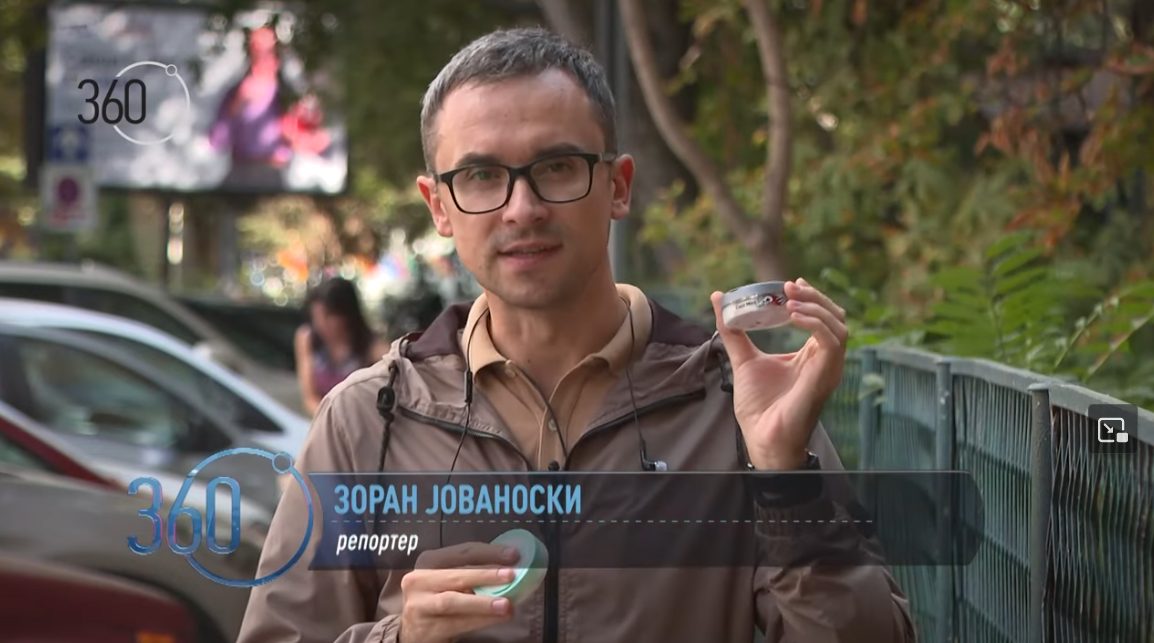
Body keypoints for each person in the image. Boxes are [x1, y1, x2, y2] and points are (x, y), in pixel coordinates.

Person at [239, 27, 915, 643]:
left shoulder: (735, 408)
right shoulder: (367, 422)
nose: (522, 208)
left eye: (557, 166)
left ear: (618, 187)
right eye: (481, 176)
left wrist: (786, 483)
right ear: (438, 205)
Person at [293, 277, 388, 416]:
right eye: (316, 317)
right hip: (324, 419)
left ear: (346, 314)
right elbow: (309, 398)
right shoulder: (308, 339)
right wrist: (331, 419)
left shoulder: (373, 348)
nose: (321, 324)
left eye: (328, 316)